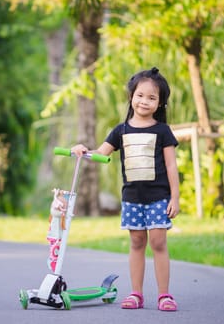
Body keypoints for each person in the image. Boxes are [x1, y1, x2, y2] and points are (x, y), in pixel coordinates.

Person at [71, 67, 180, 311]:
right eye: (140, 95)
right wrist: (82, 151)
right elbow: (100, 154)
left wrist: (175, 197)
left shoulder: (162, 131)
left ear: (160, 103)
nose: (145, 101)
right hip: (132, 198)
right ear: (131, 96)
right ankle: (136, 294)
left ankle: (164, 295)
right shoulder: (121, 130)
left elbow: (172, 166)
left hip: (159, 198)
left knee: (159, 243)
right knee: (137, 242)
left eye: (152, 98)